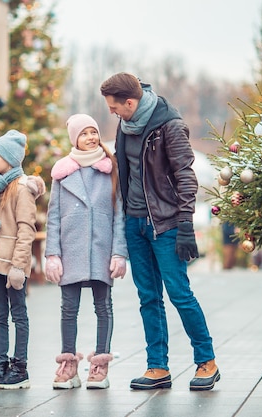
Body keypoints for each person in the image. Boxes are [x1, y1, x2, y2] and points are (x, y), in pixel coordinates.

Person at [100, 72, 220, 391]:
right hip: (134, 223)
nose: (111, 112)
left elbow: (185, 176)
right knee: (148, 297)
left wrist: (184, 225)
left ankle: (206, 361)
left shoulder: (170, 125)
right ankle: (157, 367)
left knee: (179, 293)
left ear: (130, 102)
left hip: (165, 224)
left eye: (114, 107)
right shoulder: (125, 124)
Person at [44, 114, 128, 390]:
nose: (91, 137)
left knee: (103, 307)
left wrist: (119, 253)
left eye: (94, 132)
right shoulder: (62, 173)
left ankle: (99, 365)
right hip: (71, 251)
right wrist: (52, 254)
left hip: (101, 250)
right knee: (69, 309)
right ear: (74, 139)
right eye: (84, 133)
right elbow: (53, 216)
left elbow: (119, 215)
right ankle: (69, 364)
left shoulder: (109, 169)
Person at [0, 130, 44, 390]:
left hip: (13, 263)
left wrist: (18, 266)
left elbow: (27, 230)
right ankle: (0, 364)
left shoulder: (22, 188)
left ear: (11, 158)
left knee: (19, 314)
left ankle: (20, 367)